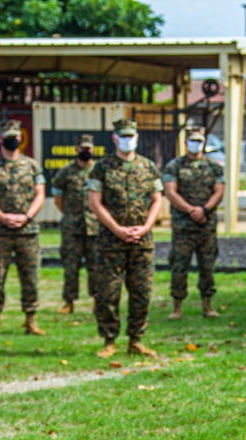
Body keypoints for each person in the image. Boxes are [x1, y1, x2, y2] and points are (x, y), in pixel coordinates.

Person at [87, 118, 162, 358]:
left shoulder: (148, 167)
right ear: (115, 138)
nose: (128, 140)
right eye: (123, 136)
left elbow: (157, 200)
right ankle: (109, 340)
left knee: (141, 291)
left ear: (137, 138)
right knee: (108, 292)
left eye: (131, 136)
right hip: (111, 242)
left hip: (142, 242)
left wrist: (146, 227)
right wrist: (116, 228)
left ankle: (136, 339)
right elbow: (95, 202)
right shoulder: (102, 167)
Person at [0, 119, 47, 337]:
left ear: (20, 138)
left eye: (15, 137)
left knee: (30, 277)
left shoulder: (31, 165)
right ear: (0, 139)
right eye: (7, 137)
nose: (12, 140)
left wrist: (27, 216)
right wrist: (2, 217)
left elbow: (40, 194)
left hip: (27, 232)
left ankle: (31, 320)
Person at [163, 125, 225, 320]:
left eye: (198, 141)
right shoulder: (175, 165)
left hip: (206, 226)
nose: (195, 144)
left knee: (207, 266)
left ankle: (207, 305)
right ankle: (177, 307)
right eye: (192, 140)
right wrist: (191, 210)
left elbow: (219, 191)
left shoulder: (213, 166)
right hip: (183, 226)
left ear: (204, 142)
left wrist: (204, 209)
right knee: (179, 266)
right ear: (185, 143)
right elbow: (170, 192)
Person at [52, 134, 99, 315]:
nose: (85, 151)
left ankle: (97, 300)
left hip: (95, 227)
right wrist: (69, 215)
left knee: (96, 267)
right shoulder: (65, 172)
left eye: (88, 148)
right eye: (82, 148)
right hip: (72, 228)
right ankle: (69, 301)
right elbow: (58, 198)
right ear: (76, 150)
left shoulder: (99, 170)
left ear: (93, 149)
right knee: (71, 266)